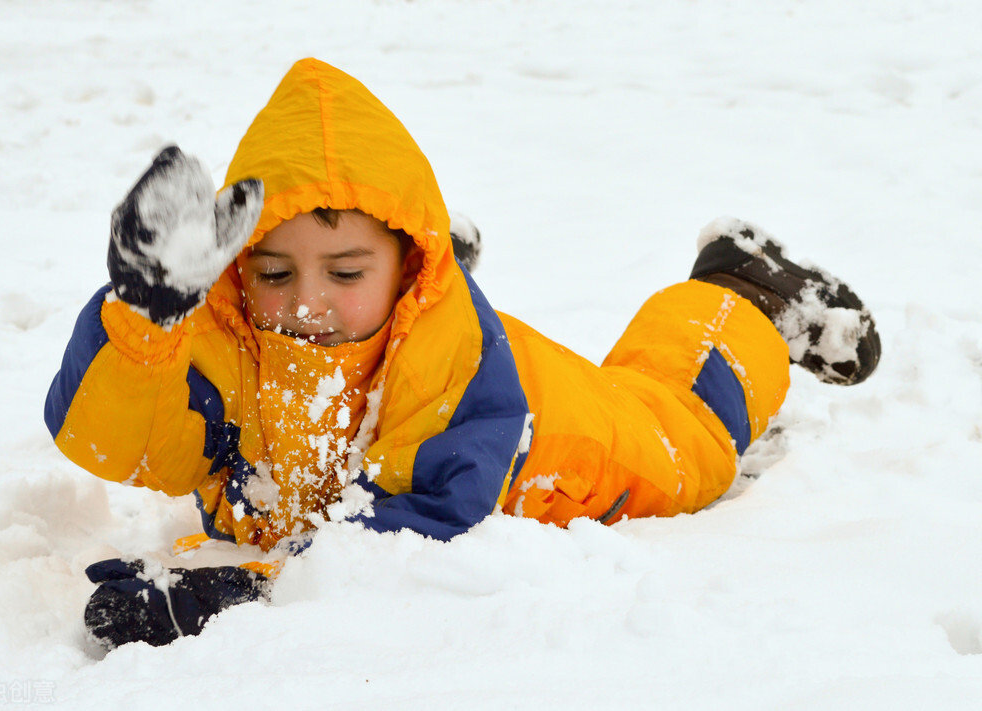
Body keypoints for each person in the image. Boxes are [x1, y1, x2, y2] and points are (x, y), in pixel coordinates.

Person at [45, 58, 880, 649]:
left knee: (682, 438)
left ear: (409, 264)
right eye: (273, 270)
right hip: (434, 338)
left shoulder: (452, 375)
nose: (307, 300)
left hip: (538, 432)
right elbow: (118, 437)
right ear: (232, 269)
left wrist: (256, 586)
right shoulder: (236, 335)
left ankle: (743, 293)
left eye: (345, 271)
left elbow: (431, 521)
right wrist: (145, 323)